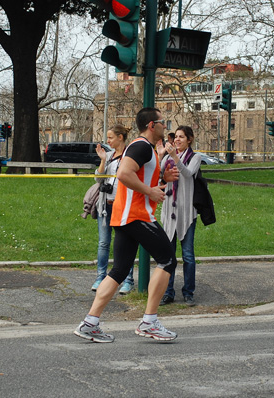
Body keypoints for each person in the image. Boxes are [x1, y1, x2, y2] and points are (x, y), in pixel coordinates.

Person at [74, 107, 180, 343]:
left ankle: (90, 323)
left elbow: (138, 177)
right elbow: (123, 174)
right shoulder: (141, 146)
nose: (166, 126)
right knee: (168, 260)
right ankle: (149, 321)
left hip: (125, 215)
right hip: (136, 215)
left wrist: (162, 180)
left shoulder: (148, 149)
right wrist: (150, 191)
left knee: (119, 271)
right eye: (163, 122)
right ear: (152, 125)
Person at [159, 126, 202, 307]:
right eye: (175, 137)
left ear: (189, 139)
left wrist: (174, 157)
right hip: (170, 211)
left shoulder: (195, 157)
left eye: (181, 137)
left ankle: (188, 292)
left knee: (188, 255)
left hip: (186, 212)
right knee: (168, 256)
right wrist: (161, 156)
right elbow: (159, 176)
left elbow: (187, 173)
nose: (177, 140)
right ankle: (168, 292)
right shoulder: (168, 157)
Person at [92, 125, 135, 295]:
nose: (107, 141)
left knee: (125, 246)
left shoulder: (130, 156)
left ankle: (128, 280)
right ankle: (100, 277)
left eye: (110, 137)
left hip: (123, 207)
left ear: (120, 137)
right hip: (106, 206)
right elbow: (98, 178)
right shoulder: (108, 156)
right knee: (103, 243)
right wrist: (102, 160)